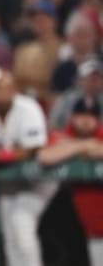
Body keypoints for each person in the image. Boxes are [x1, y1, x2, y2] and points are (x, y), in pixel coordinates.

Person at [0, 68, 57, 266]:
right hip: (7, 181)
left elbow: (33, 148)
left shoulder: (28, 108)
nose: (1, 91)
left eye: (6, 86)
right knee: (10, 236)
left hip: (37, 180)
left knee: (21, 227)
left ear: (14, 88)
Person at [38, 95, 103, 266]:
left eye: (91, 116)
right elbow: (45, 155)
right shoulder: (64, 134)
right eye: (81, 115)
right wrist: (85, 145)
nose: (86, 121)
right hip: (70, 229)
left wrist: (73, 146)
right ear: (72, 117)